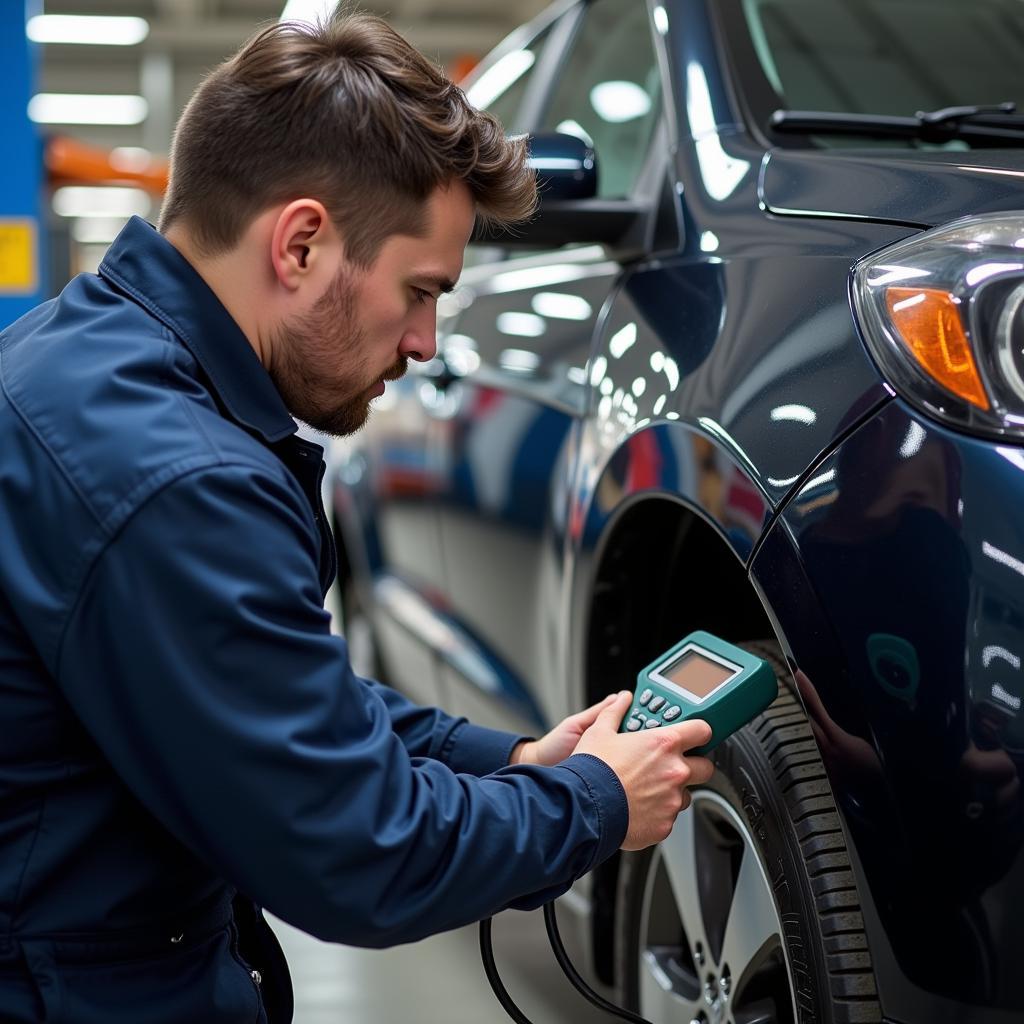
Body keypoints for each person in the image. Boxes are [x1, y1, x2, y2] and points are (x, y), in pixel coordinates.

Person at [0, 12, 714, 1023]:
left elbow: (264, 690)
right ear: (300, 243)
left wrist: (509, 763)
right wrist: (595, 801)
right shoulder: (175, 479)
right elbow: (352, 848)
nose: (426, 344)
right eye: (419, 292)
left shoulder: (88, 357)